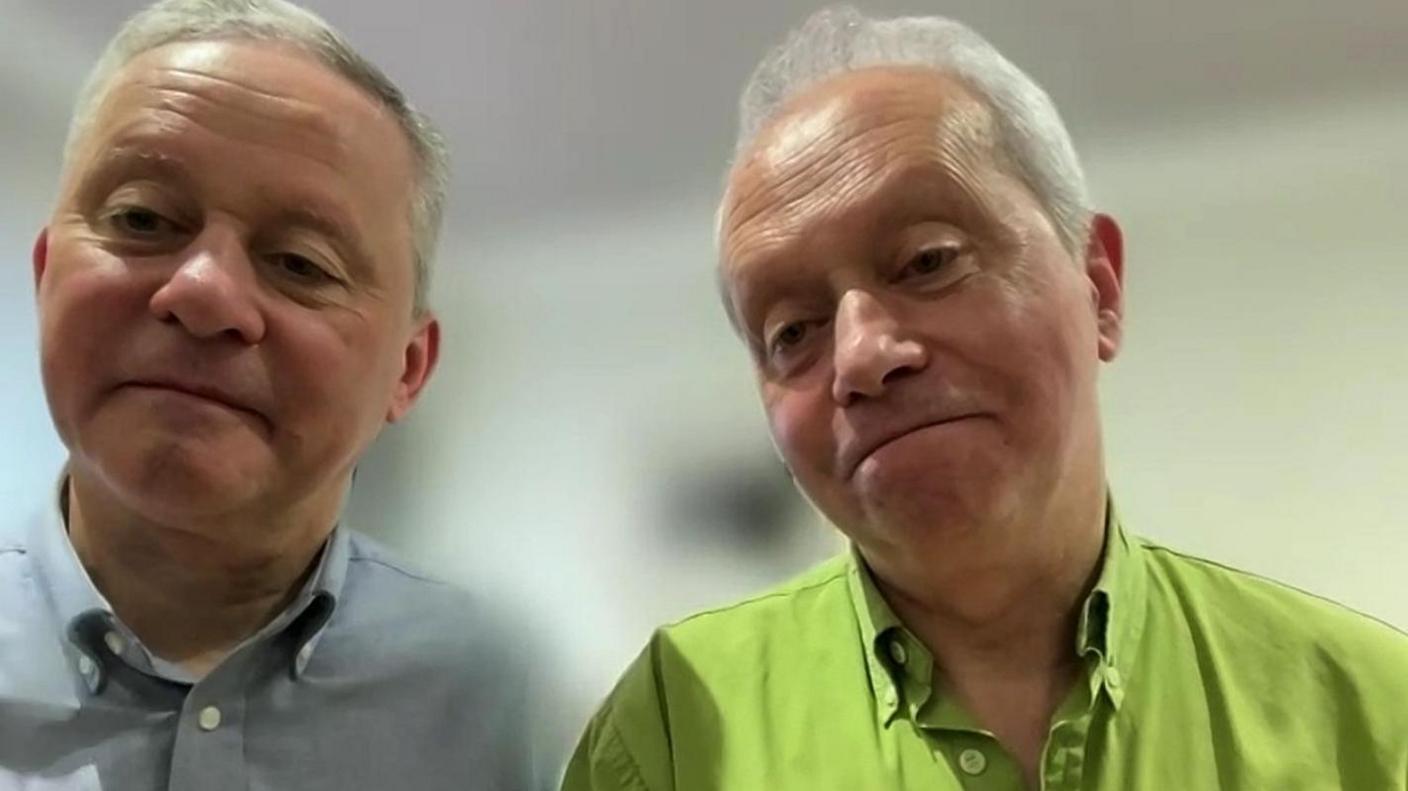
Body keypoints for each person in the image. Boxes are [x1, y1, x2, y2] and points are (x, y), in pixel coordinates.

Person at [563, 7, 1408, 790]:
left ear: (1098, 287)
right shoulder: (673, 733)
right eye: (791, 331)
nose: (859, 356)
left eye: (928, 260)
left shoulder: (1371, 715)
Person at [0, 1, 534, 788]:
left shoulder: (504, 704)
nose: (205, 292)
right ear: (47, 276)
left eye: (301, 263)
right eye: (142, 217)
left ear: (409, 369)